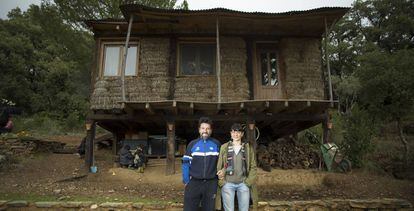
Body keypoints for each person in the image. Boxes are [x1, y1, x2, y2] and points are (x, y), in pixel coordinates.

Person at [216, 123, 258, 211]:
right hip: (227, 183)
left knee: (244, 209)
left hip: (243, 183)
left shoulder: (247, 148)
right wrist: (222, 182)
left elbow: (253, 167)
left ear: (242, 134)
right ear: (231, 133)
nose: (236, 134)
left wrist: (248, 182)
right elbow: (219, 166)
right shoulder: (224, 147)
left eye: (238, 132)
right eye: (234, 132)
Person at [182, 117, 221, 211]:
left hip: (211, 183)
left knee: (209, 209)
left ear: (211, 130)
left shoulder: (216, 144)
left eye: (208, 128)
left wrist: (221, 173)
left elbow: (222, 162)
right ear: (199, 130)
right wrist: (186, 180)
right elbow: (185, 163)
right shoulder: (192, 144)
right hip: (194, 183)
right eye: (203, 128)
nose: (205, 131)